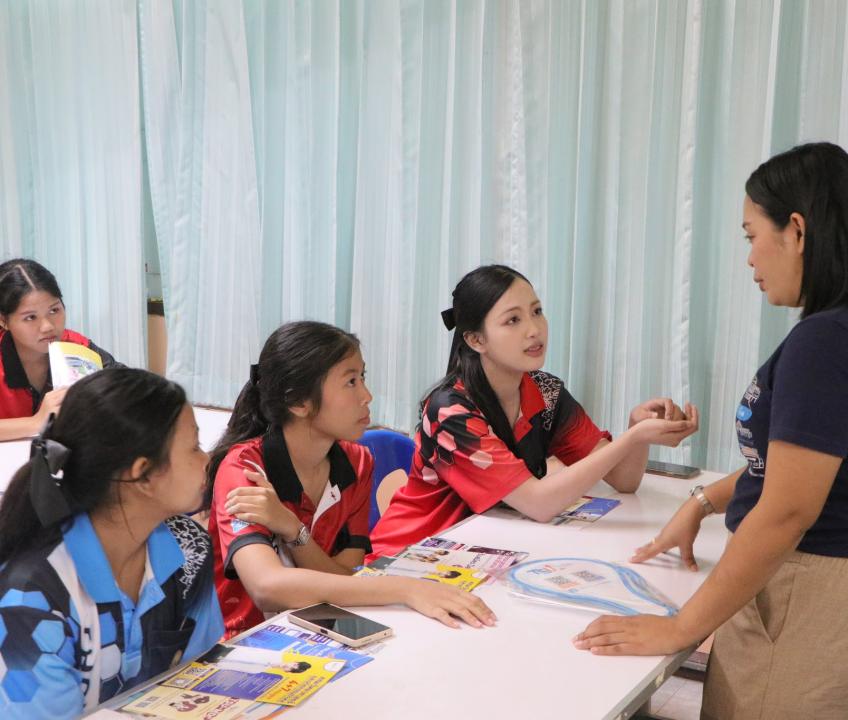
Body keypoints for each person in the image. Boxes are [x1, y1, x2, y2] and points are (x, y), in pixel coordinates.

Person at [573, 142, 848, 720]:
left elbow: (786, 510)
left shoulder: (826, 344)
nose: (750, 258)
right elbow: (805, 466)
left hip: (807, 590)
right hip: (844, 582)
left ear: (797, 231)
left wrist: (679, 629)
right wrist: (702, 501)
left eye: (752, 236)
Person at [369, 264, 699, 558]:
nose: (534, 329)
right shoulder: (449, 412)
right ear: (476, 340)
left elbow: (624, 481)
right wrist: (632, 439)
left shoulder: (545, 391)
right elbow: (539, 503)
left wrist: (637, 429)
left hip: (483, 551)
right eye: (513, 320)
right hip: (411, 558)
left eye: (537, 311)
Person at [207, 321, 495, 638]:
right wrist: (405, 589)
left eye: (363, 378)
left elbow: (347, 575)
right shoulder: (245, 469)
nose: (367, 396)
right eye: (350, 382)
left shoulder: (358, 462)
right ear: (298, 402)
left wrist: (294, 531)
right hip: (245, 640)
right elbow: (267, 586)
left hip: (316, 628)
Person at [0, 369, 224, 718]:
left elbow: (204, 680)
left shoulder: (189, 547)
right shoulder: (32, 600)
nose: (206, 459)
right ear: (143, 474)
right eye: (194, 447)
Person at [0, 258, 117, 440]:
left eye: (54, 310)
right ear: (3, 321)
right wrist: (35, 422)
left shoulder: (77, 346)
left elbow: (130, 391)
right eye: (30, 317)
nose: (47, 326)